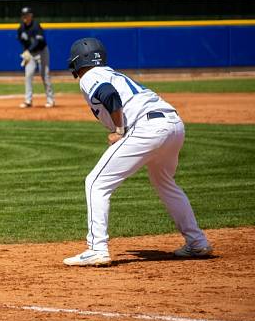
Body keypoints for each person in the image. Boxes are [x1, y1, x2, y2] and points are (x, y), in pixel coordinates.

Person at [63, 37, 212, 266]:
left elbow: (108, 94)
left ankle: (97, 248)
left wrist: (120, 131)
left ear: (77, 62)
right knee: (165, 184)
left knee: (95, 182)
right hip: (174, 125)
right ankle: (197, 242)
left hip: (146, 128)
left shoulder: (91, 75)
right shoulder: (111, 72)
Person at [17, 7, 54, 108]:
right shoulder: (21, 28)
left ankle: (50, 100)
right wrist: (25, 51)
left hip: (42, 51)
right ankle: (28, 100)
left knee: (44, 75)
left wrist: (28, 50)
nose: (25, 17)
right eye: (23, 15)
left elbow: (39, 41)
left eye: (27, 15)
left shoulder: (36, 26)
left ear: (31, 15)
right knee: (28, 75)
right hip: (31, 54)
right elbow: (21, 40)